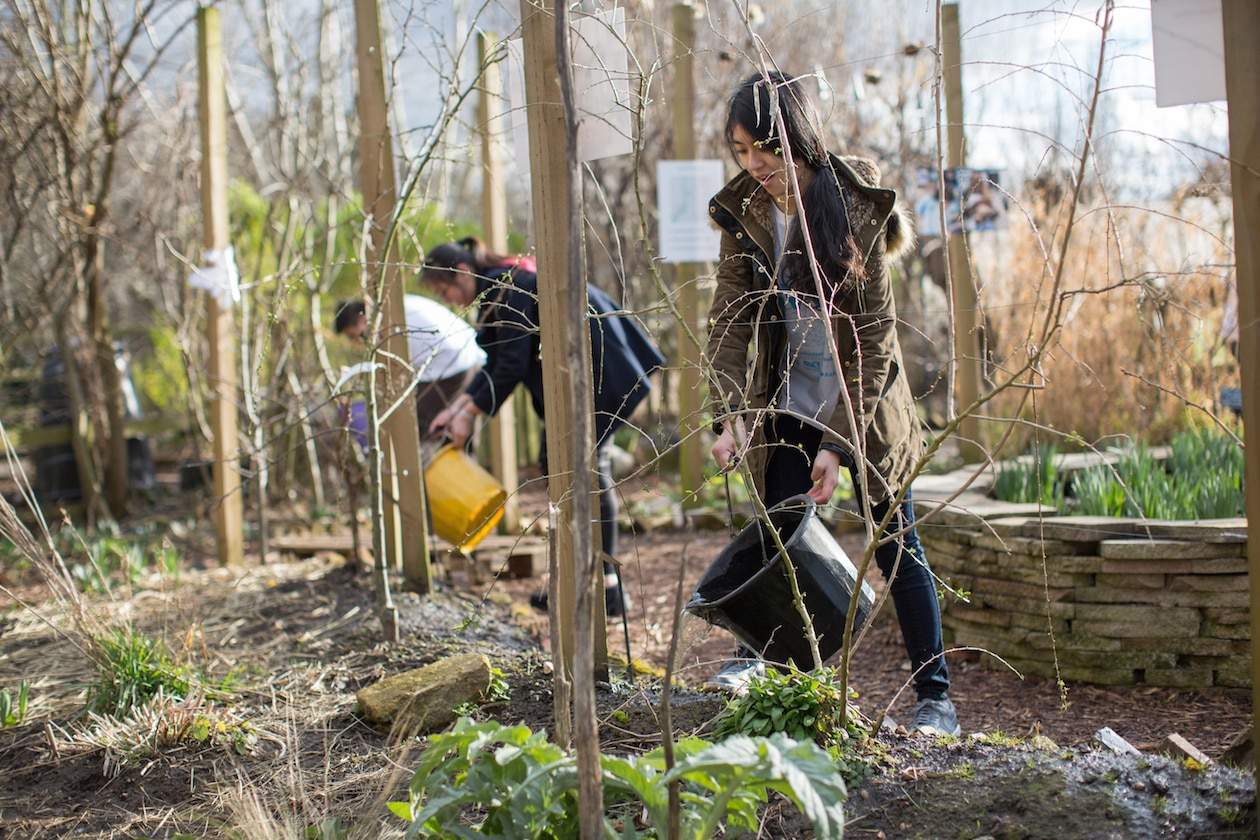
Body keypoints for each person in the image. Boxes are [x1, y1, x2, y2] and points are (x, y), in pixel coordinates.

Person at [704, 71, 960, 736]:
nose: (753, 165)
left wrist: (840, 442)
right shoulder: (745, 210)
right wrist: (728, 409)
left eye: (763, 149)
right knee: (778, 539)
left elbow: (874, 341)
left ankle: (934, 698)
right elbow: (729, 319)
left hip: (864, 409)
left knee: (897, 547)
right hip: (785, 404)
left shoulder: (854, 206)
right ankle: (759, 660)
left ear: (799, 139)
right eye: (740, 152)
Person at [422, 236, 665, 618]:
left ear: (464, 272)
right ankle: (578, 580)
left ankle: (607, 587)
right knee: (557, 466)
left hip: (600, 372)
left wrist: (469, 415)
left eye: (446, 289)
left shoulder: (509, 285)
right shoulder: (497, 290)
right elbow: (498, 358)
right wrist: (458, 408)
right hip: (580, 379)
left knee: (583, 470)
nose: (449, 299)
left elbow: (511, 366)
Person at [334, 295, 486, 438]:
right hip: (468, 356)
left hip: (450, 363)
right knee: (458, 427)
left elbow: (399, 373)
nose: (358, 342)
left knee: (415, 427)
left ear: (362, 318)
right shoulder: (396, 304)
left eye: (355, 336)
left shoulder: (389, 321)